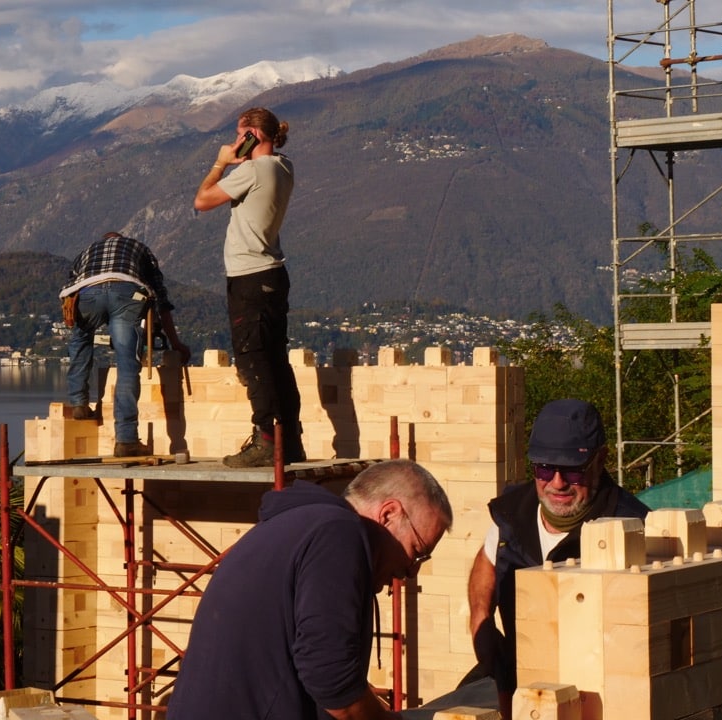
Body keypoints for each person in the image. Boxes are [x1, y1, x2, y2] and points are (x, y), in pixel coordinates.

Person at [166, 459, 453, 719]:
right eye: (417, 552)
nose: (411, 571)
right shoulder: (339, 535)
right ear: (388, 514)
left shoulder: (301, 526)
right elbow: (330, 677)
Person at [466, 399, 650, 718]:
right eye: (545, 468)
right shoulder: (512, 514)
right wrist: (480, 617)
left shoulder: (632, 528)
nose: (557, 483)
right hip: (523, 696)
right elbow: (488, 558)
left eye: (572, 470)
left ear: (601, 460)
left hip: (597, 704)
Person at [192, 106, 304, 467]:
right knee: (275, 360)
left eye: (239, 135)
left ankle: (265, 439)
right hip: (274, 275)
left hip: (249, 277)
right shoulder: (282, 166)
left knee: (252, 359)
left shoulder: (253, 170)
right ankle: (290, 440)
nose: (234, 141)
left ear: (252, 136)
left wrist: (221, 162)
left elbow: (202, 200)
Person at [60, 231, 190, 457]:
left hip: (87, 293)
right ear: (121, 240)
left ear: (104, 241)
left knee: (80, 341)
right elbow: (161, 299)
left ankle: (79, 404)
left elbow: (71, 284)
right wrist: (176, 342)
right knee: (127, 364)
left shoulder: (87, 251)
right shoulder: (139, 248)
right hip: (126, 292)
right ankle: (126, 439)